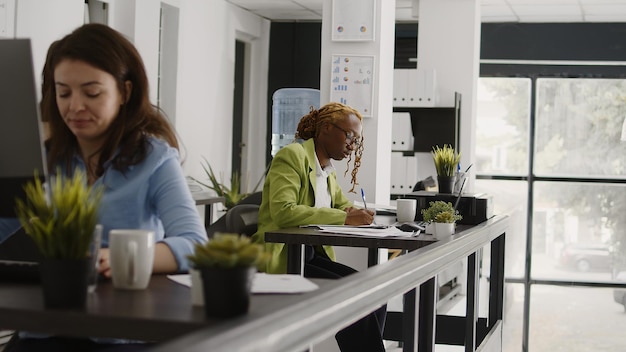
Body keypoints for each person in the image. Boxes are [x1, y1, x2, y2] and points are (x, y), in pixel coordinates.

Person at [3, 23, 207, 351]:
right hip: (45, 327)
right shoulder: (45, 160)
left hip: (118, 332)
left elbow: (195, 244)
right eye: (63, 92)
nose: (75, 107)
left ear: (125, 92)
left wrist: (127, 257)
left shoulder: (154, 159)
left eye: (92, 92)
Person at [251, 102, 386, 352]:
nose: (352, 145)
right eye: (349, 135)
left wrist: (362, 213)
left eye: (356, 140)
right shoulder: (292, 156)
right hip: (286, 258)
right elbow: (284, 211)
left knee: (374, 296)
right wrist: (345, 217)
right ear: (325, 128)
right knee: (357, 304)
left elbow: (342, 206)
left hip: (310, 255)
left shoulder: (326, 170)